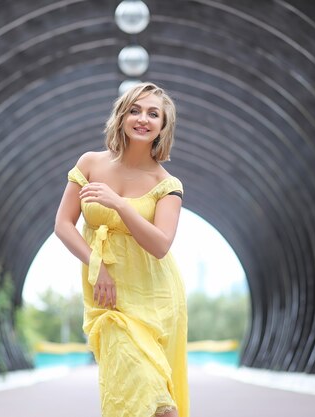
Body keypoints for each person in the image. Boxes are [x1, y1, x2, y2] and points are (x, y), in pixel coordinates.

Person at [54, 82, 188, 417]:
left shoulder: (166, 185)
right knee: (137, 389)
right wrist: (97, 265)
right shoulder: (90, 163)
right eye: (136, 110)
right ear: (122, 115)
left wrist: (120, 204)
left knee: (160, 401)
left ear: (163, 126)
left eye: (153, 114)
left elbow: (160, 245)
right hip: (108, 297)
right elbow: (63, 225)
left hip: (155, 296)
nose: (143, 119)